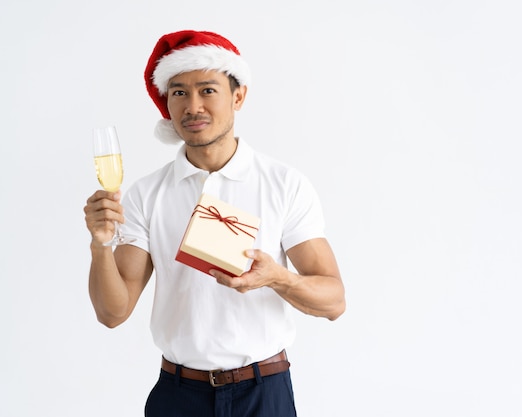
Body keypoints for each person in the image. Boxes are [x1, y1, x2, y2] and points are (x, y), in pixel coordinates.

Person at [84, 30, 346, 417]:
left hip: (264, 391)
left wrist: (277, 277)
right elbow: (112, 313)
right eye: (179, 93)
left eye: (208, 90)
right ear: (166, 103)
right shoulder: (146, 194)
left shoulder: (284, 184)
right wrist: (100, 244)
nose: (193, 107)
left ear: (238, 96)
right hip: (179, 395)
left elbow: (335, 301)